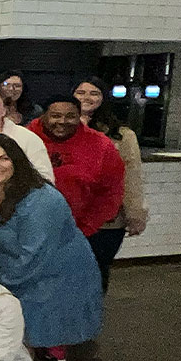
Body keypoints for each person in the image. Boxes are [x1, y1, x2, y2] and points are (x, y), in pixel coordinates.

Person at [0, 134, 102, 361]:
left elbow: (34, 256)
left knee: (27, 336)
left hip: (52, 274)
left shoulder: (40, 199)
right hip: (12, 266)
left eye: (4, 159)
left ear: (17, 161)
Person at [28, 95, 125, 289]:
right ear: (44, 116)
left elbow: (111, 190)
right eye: (55, 115)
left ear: (80, 116)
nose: (62, 122)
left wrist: (85, 228)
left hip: (87, 233)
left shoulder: (100, 144)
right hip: (33, 233)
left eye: (70, 116)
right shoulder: (25, 138)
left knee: (84, 289)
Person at [73, 77, 149, 291]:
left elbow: (131, 176)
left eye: (94, 93)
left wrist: (136, 215)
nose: (86, 97)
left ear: (103, 98)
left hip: (106, 222)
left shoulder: (122, 135)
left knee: (96, 272)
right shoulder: (59, 130)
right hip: (67, 218)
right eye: (80, 92)